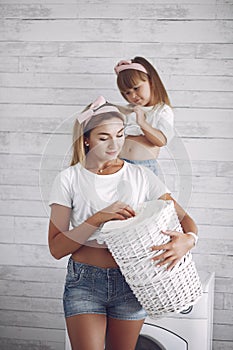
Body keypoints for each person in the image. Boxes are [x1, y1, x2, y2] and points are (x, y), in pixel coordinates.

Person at [48, 96, 198, 350]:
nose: (114, 144)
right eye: (103, 137)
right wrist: (98, 218)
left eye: (119, 134)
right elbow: (57, 248)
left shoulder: (141, 176)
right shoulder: (68, 179)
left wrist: (189, 240)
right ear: (86, 139)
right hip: (84, 282)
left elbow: (185, 219)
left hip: (132, 283)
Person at [114, 56, 174, 175]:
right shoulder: (130, 110)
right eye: (127, 93)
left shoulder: (162, 111)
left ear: (151, 82)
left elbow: (161, 141)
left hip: (144, 168)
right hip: (121, 165)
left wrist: (142, 123)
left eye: (136, 88)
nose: (133, 96)